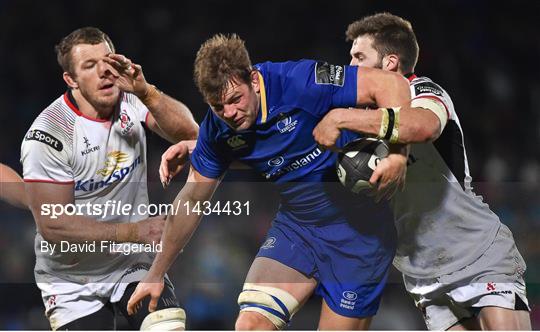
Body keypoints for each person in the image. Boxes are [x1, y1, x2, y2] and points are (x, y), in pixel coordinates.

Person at [127, 33, 414, 330]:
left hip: (359, 235)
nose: (230, 114)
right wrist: (156, 273)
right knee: (250, 325)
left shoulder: (300, 82)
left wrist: (397, 154)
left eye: (235, 99)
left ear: (253, 79)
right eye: (217, 107)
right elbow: (191, 200)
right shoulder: (218, 130)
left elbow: (392, 85)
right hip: (298, 229)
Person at [312, 13, 531, 330]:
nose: (350, 67)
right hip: (422, 273)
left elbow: (423, 126)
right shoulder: (363, 119)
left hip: (476, 253)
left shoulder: (423, 91)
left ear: (389, 63)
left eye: (359, 57)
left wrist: (340, 117)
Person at [20, 27, 198, 330]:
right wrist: (134, 232)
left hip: (132, 262)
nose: (104, 72)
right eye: (90, 66)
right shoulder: (49, 135)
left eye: (108, 61)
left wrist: (147, 91)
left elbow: (189, 133)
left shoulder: (130, 99)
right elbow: (52, 224)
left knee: (166, 324)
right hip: (72, 280)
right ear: (71, 80)